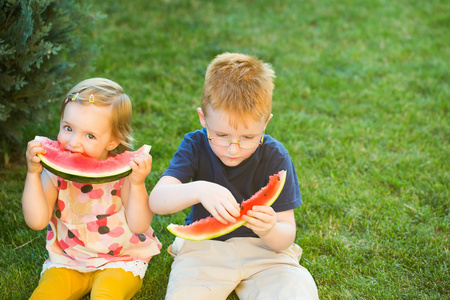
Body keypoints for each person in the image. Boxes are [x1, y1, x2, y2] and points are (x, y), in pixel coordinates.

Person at [149, 53, 319, 299]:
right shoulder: (194, 145)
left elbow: (286, 235)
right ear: (203, 118)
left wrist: (270, 229)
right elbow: (158, 200)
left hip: (266, 253)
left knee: (295, 290)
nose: (233, 148)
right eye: (222, 135)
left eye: (248, 137)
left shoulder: (275, 157)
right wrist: (199, 189)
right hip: (204, 250)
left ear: (266, 124)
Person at [22, 78, 161, 299]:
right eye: (68, 128)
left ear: (113, 142)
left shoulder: (122, 175)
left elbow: (140, 224)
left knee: (105, 295)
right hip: (68, 260)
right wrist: (33, 174)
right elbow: (36, 221)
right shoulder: (54, 174)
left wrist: (137, 183)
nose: (73, 143)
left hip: (120, 260)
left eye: (89, 136)